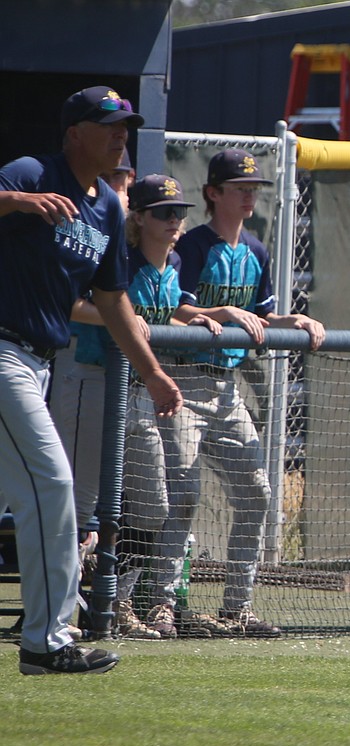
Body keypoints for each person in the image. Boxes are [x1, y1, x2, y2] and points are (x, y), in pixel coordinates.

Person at [0, 85, 182, 674]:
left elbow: (112, 300)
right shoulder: (32, 172)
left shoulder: (107, 206)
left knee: (38, 493)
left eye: (126, 125)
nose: (120, 135)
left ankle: (43, 639)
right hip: (3, 351)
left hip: (39, 364)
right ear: (75, 131)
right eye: (108, 124)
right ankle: (45, 643)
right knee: (53, 485)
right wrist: (17, 203)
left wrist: (151, 373)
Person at [148, 148, 324, 638]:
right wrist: (222, 311)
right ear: (213, 193)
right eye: (240, 187)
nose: (250, 195)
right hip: (181, 380)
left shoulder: (257, 250)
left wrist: (296, 320)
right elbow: (173, 310)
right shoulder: (192, 244)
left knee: (257, 494)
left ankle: (237, 608)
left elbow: (261, 318)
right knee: (179, 496)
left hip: (226, 388)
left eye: (255, 188)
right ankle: (161, 604)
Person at [116, 174, 228, 639]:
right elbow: (103, 304)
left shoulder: (174, 262)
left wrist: (199, 315)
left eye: (180, 212)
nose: (175, 221)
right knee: (101, 505)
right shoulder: (123, 261)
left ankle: (117, 601)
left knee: (151, 507)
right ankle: (104, 603)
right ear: (139, 218)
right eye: (164, 212)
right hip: (111, 388)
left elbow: (171, 309)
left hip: (146, 391)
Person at [49, 147, 136, 602]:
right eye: (114, 183)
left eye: (125, 184)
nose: (118, 192)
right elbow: (64, 298)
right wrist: (113, 315)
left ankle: (79, 601)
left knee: (97, 499)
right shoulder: (81, 226)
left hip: (111, 377)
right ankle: (59, 602)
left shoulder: (116, 228)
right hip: (77, 367)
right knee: (74, 495)